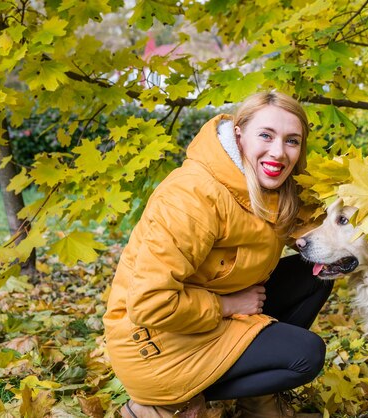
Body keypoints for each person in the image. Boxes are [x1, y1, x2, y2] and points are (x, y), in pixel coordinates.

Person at [103, 91, 333, 418]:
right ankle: (165, 404)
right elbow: (149, 303)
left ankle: (257, 400)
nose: (279, 152)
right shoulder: (192, 196)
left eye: (292, 141)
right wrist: (228, 305)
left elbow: (326, 228)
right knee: (306, 355)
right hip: (154, 344)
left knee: (313, 277)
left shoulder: (278, 190)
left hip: (206, 315)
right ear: (238, 135)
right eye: (266, 135)